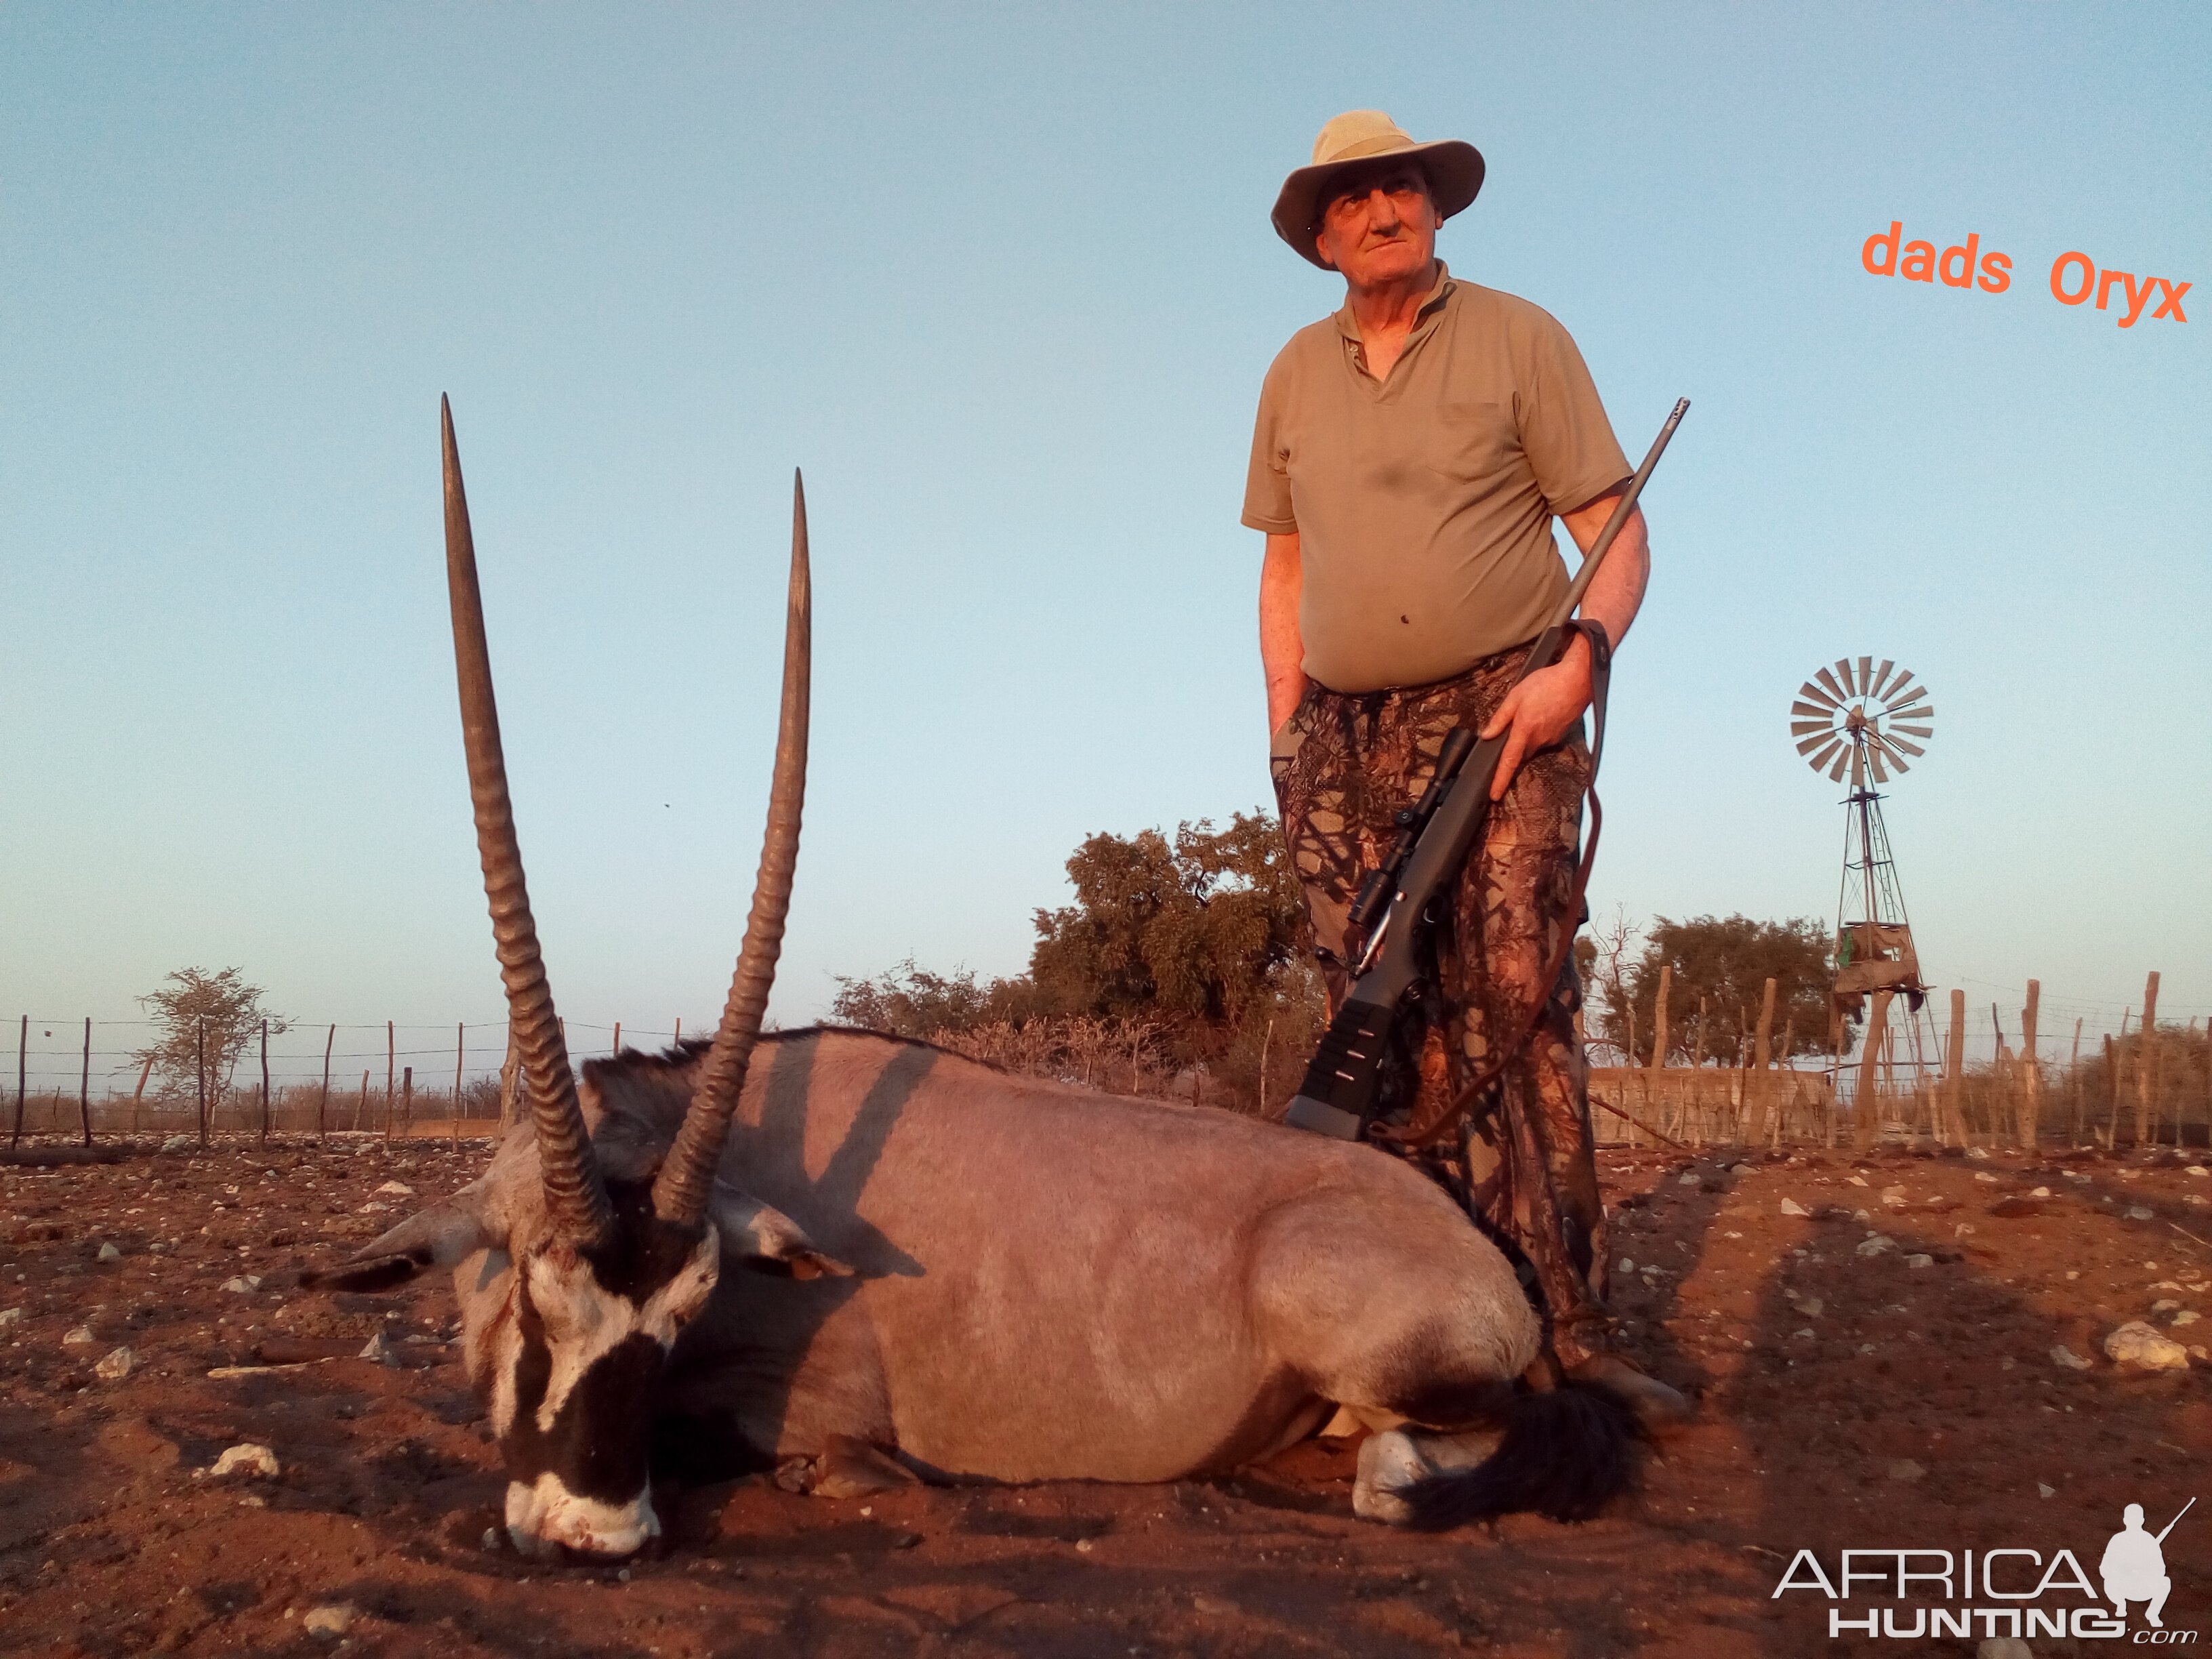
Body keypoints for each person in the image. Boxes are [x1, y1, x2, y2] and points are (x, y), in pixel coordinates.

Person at [1246, 110, 1686, 1427]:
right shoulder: (1290, 374)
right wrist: (1286, 729)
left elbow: (1615, 531)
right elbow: (1284, 565)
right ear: (1322, 234)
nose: (1382, 208)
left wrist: (1579, 664)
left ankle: (1569, 1325)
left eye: (1402, 187)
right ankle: (1395, 1322)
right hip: (1339, 735)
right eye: (1354, 197)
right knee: (1369, 1012)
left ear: (1432, 208)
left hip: (1505, 702)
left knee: (1512, 987)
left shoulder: (1519, 337)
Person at [2100, 1504, 2172, 1627]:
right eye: (2130, 1519)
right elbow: (2104, 1569)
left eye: (2136, 1519)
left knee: (2165, 1582)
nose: (2133, 1522)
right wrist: (2124, 1572)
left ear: (2142, 1521)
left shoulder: (2149, 1540)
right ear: (2125, 1520)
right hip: (2121, 1587)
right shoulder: (2117, 1540)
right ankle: (2120, 1604)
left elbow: (2161, 1570)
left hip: (2143, 1587)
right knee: (2108, 1582)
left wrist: (2144, 1572)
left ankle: (2153, 1613)